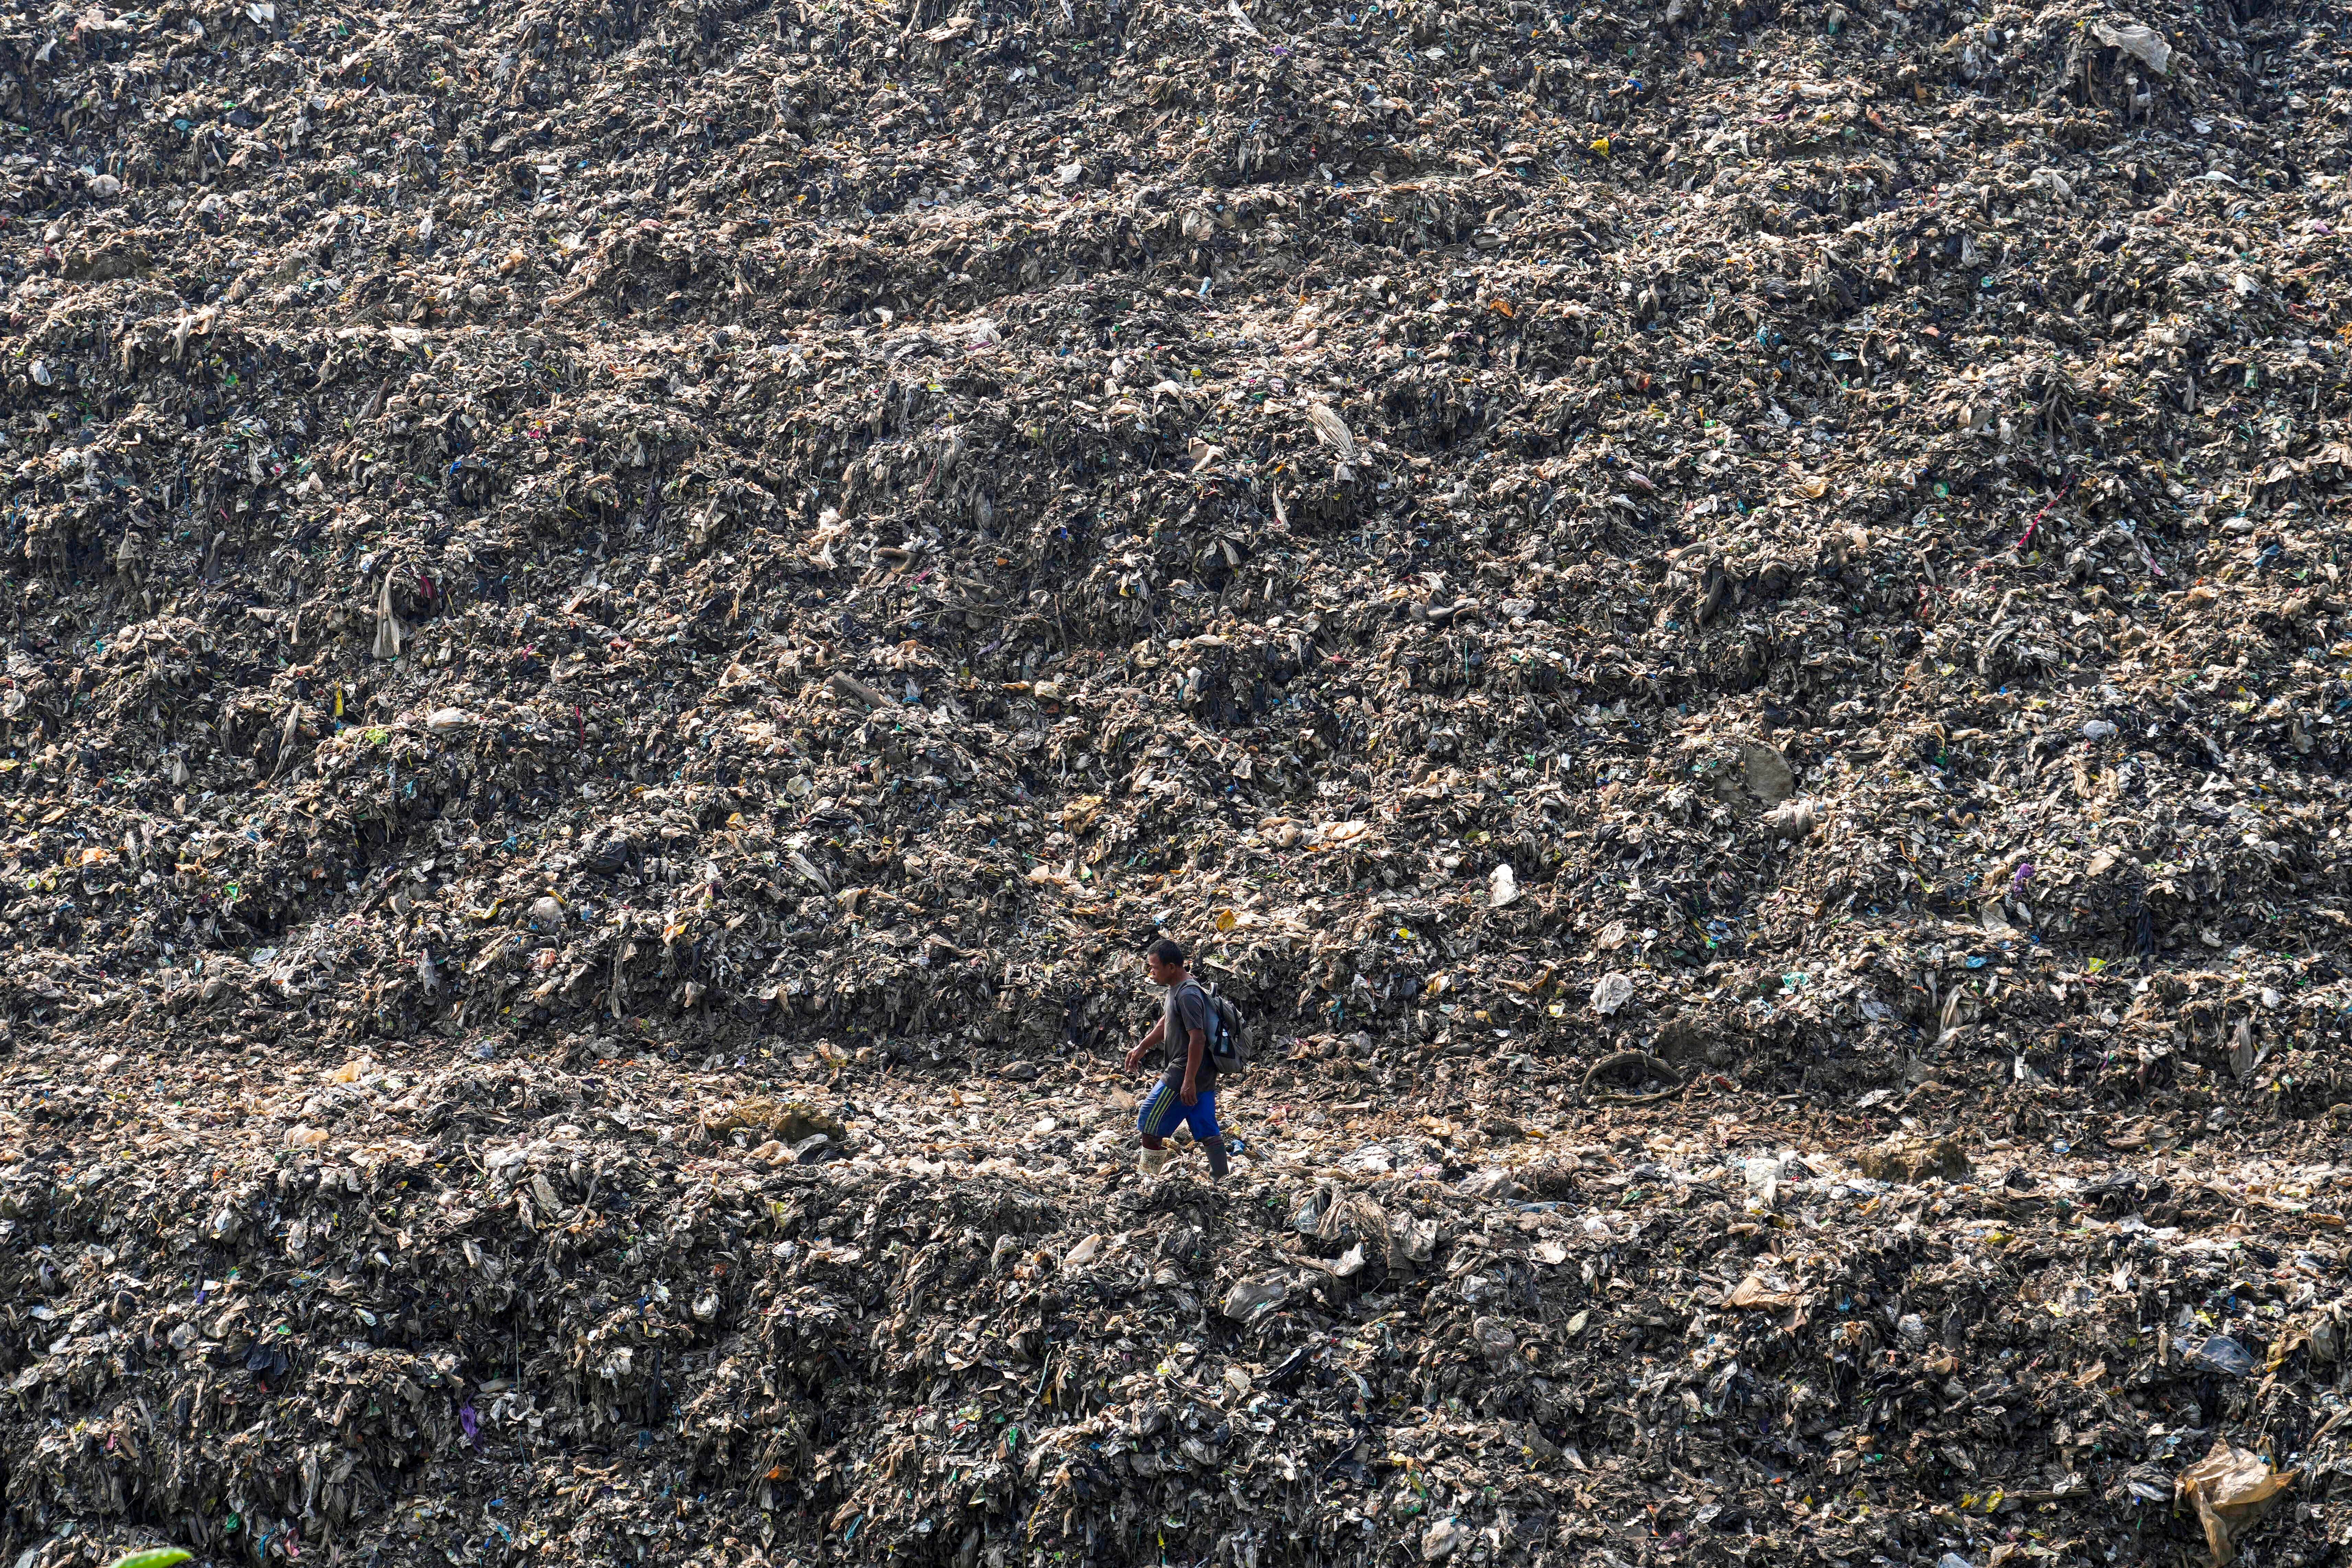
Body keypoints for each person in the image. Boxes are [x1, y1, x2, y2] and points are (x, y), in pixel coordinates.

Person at [1124, 937, 1229, 1180]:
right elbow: (1166, 1022)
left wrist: (1188, 1080)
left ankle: (1146, 1181)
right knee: (1206, 1128)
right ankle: (1221, 1178)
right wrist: (1141, 1047)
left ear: (1172, 967)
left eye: (1154, 967)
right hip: (1200, 1072)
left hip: (1184, 1070)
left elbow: (1198, 1039)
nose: (1151, 973)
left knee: (1149, 1124)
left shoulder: (1188, 995)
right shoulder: (1177, 988)